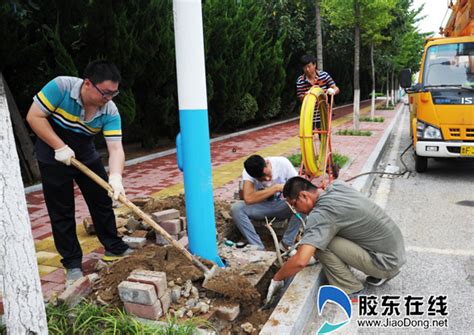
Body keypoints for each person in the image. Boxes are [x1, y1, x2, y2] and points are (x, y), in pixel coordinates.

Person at [26, 60, 132, 285]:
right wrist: (59, 147)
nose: (109, 98)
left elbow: (115, 147)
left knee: (102, 200)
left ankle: (114, 248)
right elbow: (34, 117)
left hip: (84, 153)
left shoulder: (109, 110)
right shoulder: (61, 87)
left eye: (114, 93)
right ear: (87, 84)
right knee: (61, 211)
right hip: (52, 154)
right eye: (105, 93)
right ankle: (72, 263)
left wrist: (115, 177)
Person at [266, 177, 406, 303]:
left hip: (386, 263)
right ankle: (380, 273)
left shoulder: (321, 215)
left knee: (321, 246)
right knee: (329, 234)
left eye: (294, 204)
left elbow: (301, 261)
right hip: (395, 252)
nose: (296, 211)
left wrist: (277, 278)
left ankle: (351, 289)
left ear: (304, 195)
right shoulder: (338, 186)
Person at [231, 155, 301, 251]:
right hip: (262, 207)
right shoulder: (248, 173)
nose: (267, 179)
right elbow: (248, 198)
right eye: (261, 178)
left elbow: (298, 189)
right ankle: (259, 248)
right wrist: (275, 188)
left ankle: (286, 243)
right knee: (237, 208)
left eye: (268, 174)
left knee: (301, 203)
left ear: (267, 162)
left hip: (283, 205)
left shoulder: (283, 163)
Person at [296, 54, 339, 130]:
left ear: (314, 65)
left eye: (309, 66)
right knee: (307, 138)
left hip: (323, 113)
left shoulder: (324, 75)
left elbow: (336, 88)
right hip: (308, 114)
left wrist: (333, 91)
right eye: (305, 67)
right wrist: (306, 96)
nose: (307, 69)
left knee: (324, 137)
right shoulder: (300, 81)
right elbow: (300, 98)